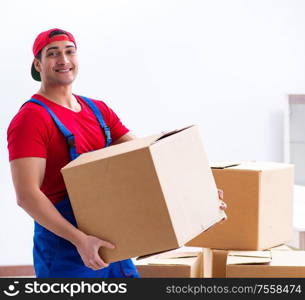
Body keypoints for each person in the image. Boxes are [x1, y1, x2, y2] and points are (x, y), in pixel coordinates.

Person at [7, 28, 226, 278]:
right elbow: (27, 195)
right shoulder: (31, 119)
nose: (64, 60)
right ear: (38, 64)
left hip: (114, 244)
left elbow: (149, 160)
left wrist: (198, 193)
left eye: (70, 52)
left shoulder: (98, 110)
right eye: (53, 54)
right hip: (65, 249)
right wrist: (80, 240)